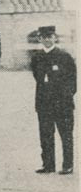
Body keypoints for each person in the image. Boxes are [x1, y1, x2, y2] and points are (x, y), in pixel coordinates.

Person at [31, 25, 75, 175]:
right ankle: (48, 165)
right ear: (40, 39)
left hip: (62, 104)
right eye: (44, 37)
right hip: (44, 103)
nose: (47, 40)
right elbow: (37, 77)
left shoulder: (64, 56)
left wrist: (64, 97)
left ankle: (67, 165)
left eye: (50, 37)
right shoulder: (37, 57)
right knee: (45, 135)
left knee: (66, 135)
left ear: (54, 37)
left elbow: (72, 81)